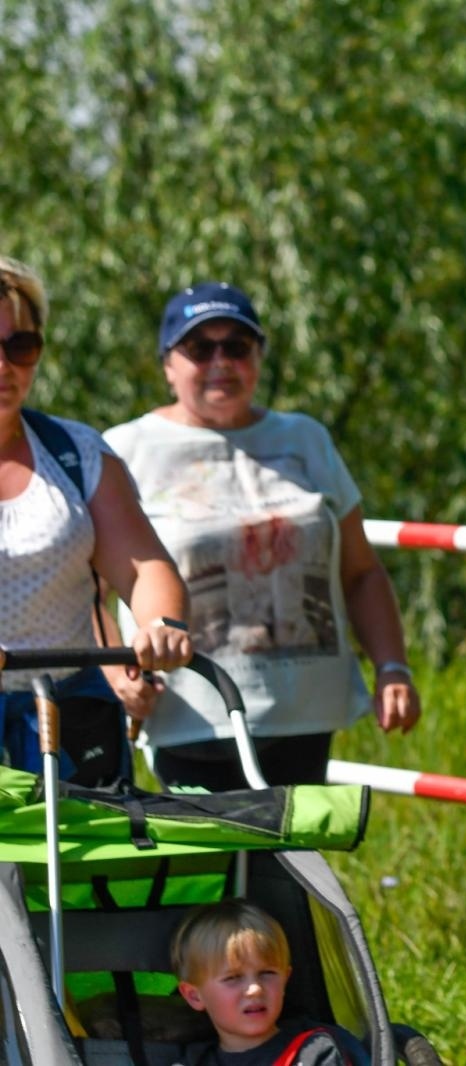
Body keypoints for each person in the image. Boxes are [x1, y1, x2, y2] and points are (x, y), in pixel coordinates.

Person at [103, 283, 419, 790]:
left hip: (304, 713)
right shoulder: (124, 448)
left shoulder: (305, 438)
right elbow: (89, 588)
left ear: (259, 357)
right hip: (192, 713)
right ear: (167, 364)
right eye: (200, 348)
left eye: (237, 346)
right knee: (214, 867)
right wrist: (116, 674)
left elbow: (360, 572)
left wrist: (393, 668)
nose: (220, 362)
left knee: (292, 864)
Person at [0, 256, 192, 786]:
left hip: (68, 720)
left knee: (74, 870)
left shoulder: (75, 453)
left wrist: (161, 626)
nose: (3, 367)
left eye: (20, 347)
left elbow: (145, 566)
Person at [171, 898, 363, 1065]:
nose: (255, 989)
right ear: (194, 996)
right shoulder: (193, 1061)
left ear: (285, 980)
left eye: (267, 973)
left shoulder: (314, 1052)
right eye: (233, 978)